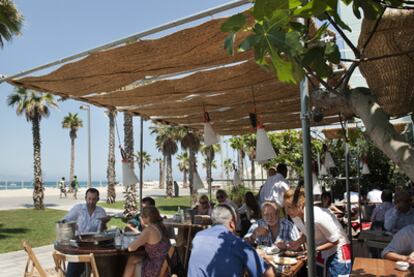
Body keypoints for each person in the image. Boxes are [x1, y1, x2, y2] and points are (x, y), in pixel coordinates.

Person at [188, 204, 275, 277]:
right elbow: (269, 274)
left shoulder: (198, 237)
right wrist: (269, 263)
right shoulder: (236, 243)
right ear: (232, 224)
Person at [284, 187, 351, 277]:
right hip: (322, 251)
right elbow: (307, 231)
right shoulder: (295, 216)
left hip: (338, 250)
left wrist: (314, 250)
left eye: (289, 207)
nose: (287, 212)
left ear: (300, 205)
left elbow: (335, 241)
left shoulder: (317, 216)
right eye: (285, 207)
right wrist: (298, 242)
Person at [61, 188, 111, 277]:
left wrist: (104, 223)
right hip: (79, 246)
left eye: (94, 199)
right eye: (89, 199)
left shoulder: (101, 212)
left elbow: (102, 233)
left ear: (98, 199)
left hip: (95, 247)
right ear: (85, 198)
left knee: (105, 269)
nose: (91, 202)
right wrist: (71, 225)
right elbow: (64, 221)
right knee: (72, 274)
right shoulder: (78, 209)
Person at [123, 206, 171, 277]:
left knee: (131, 260)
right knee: (133, 259)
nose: (141, 218)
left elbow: (131, 248)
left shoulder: (149, 230)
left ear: (148, 217)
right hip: (164, 263)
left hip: (154, 268)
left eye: (142, 216)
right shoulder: (161, 226)